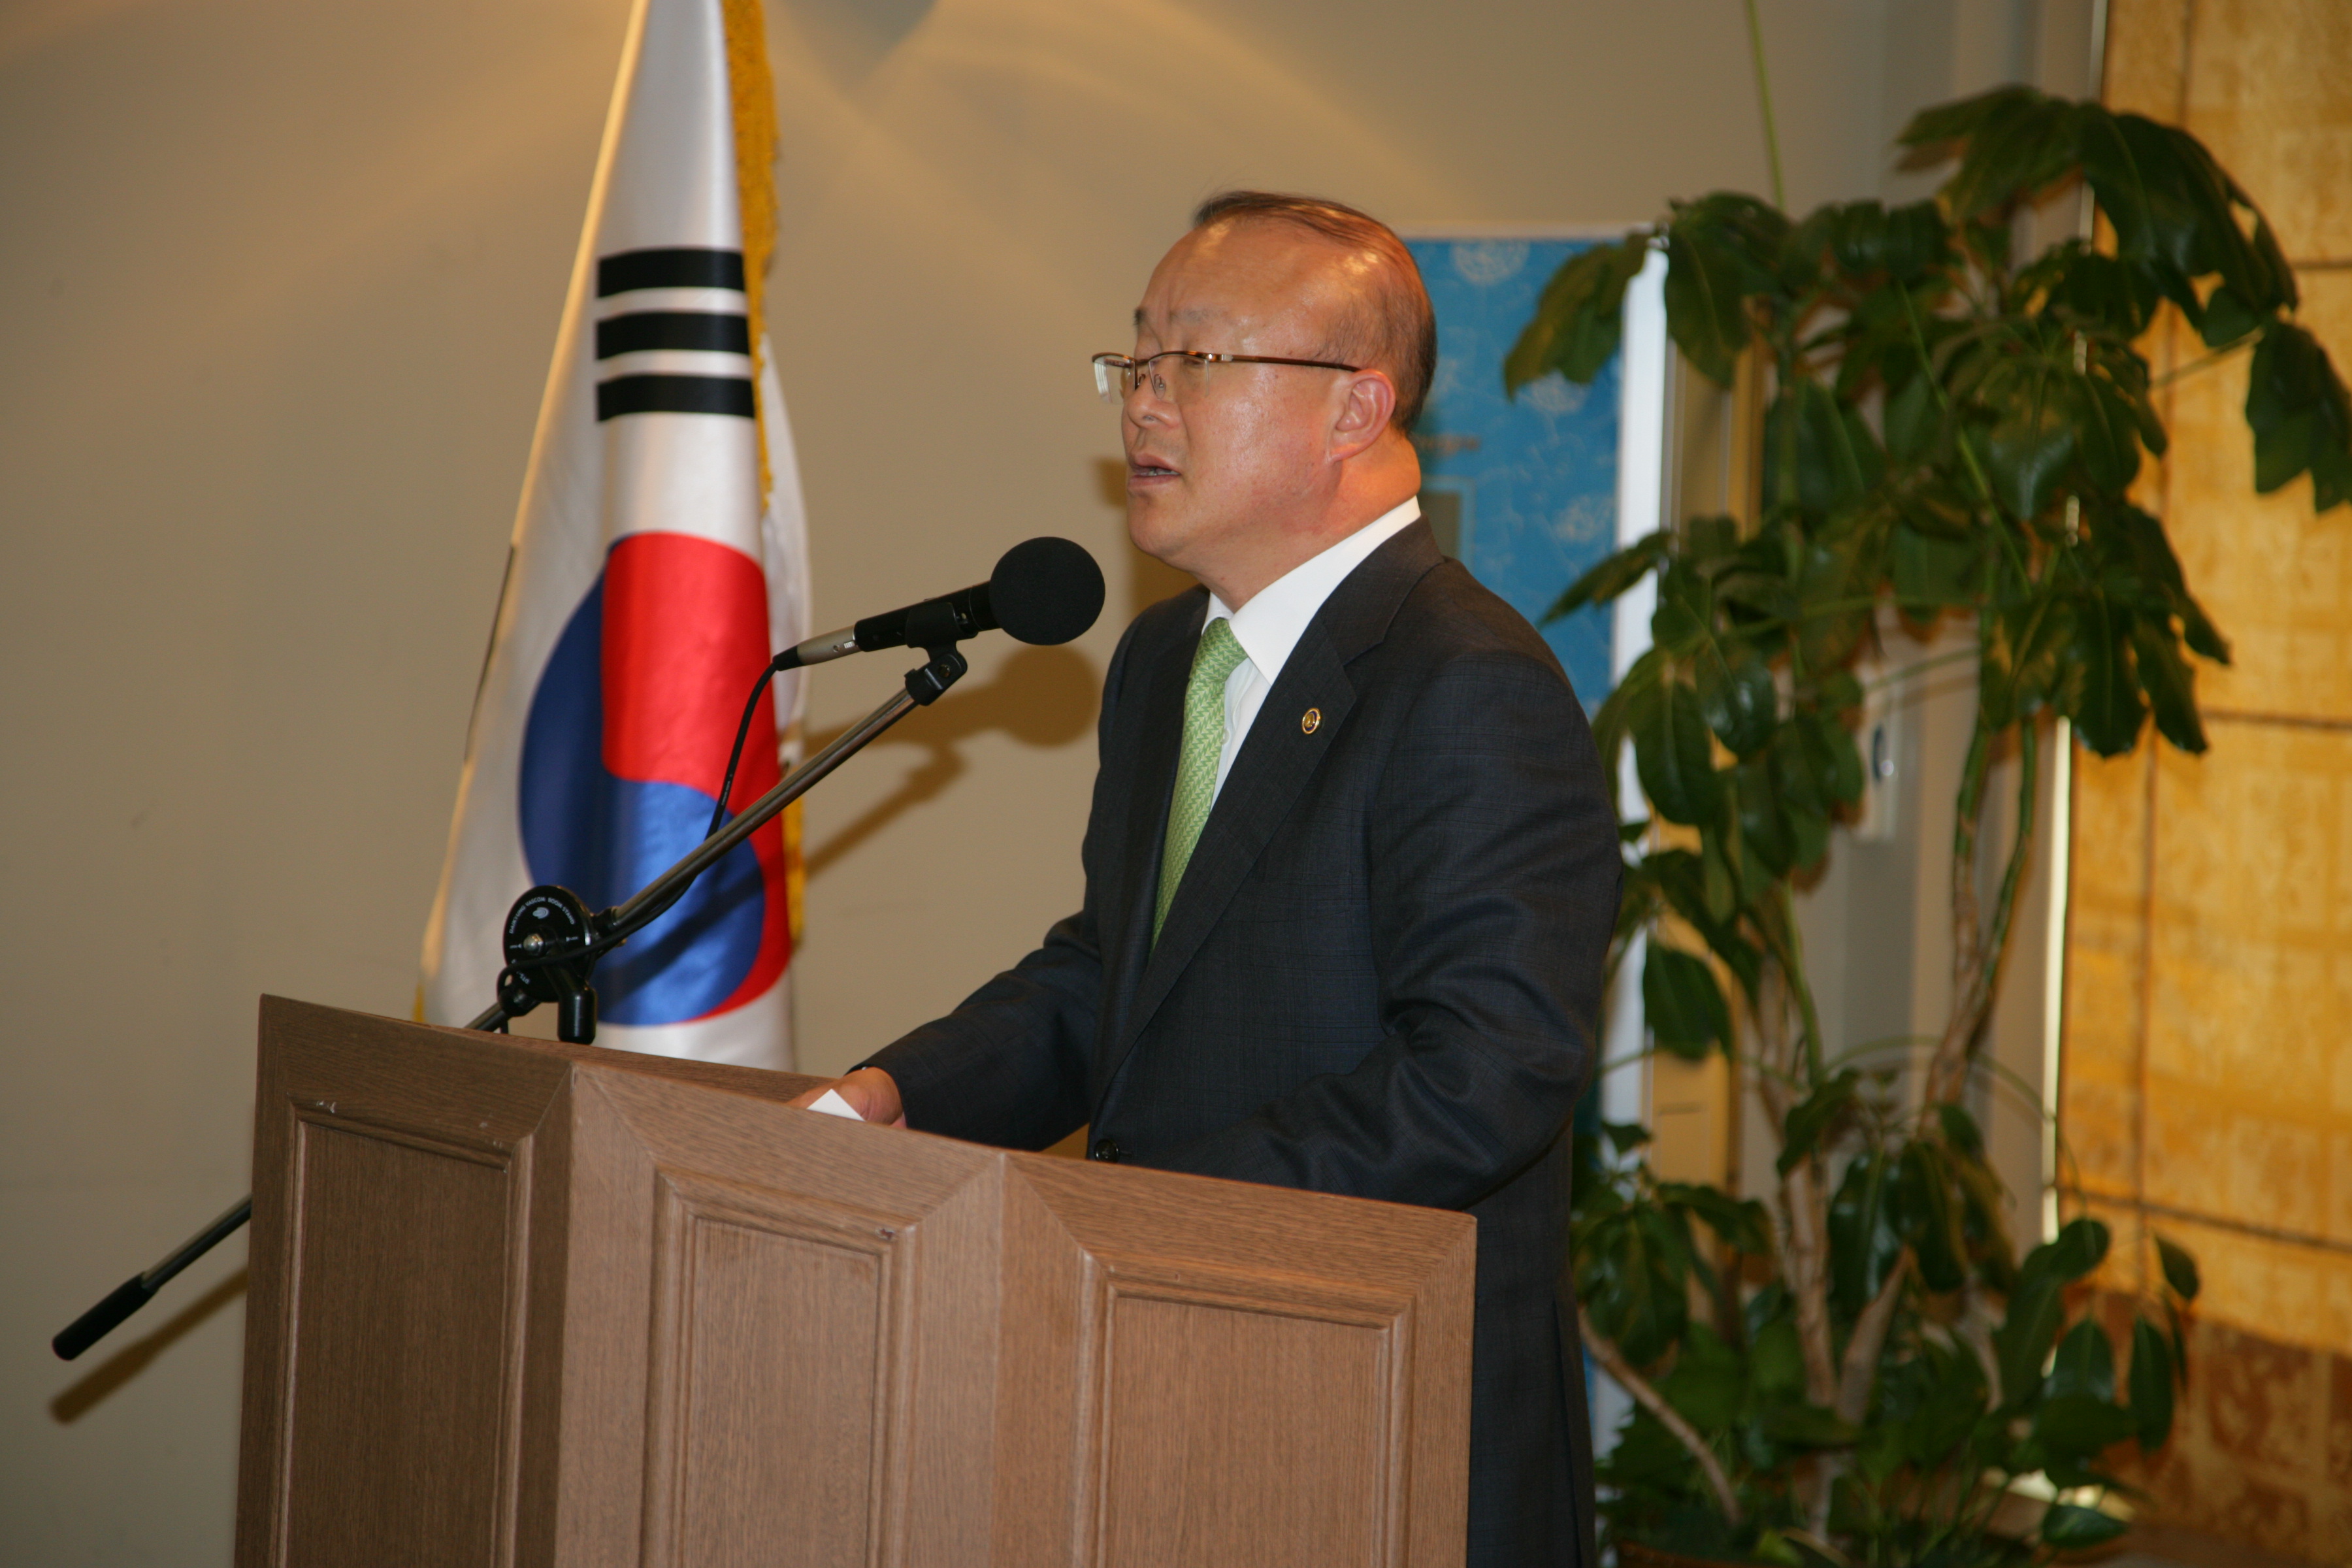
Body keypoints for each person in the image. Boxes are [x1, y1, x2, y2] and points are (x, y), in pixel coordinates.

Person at [792, 191, 1619, 1568]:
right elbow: (1112, 974)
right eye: (1136, 358)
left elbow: (1485, 1074)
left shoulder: (1466, 683)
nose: (1144, 404)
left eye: (1198, 361)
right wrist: (886, 1099)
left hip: (1372, 1421)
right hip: (1175, 1383)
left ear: (1356, 410)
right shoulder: (1170, 660)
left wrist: (1141, 1218)